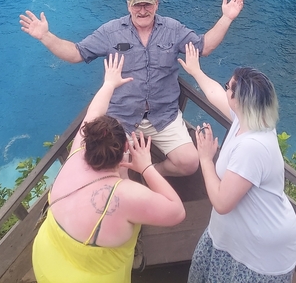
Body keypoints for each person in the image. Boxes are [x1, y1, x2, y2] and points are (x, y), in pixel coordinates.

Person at [20, 0, 244, 176]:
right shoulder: (111, 32)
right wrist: (45, 37)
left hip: (164, 116)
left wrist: (226, 18)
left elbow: (203, 47)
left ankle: (150, 172)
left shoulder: (173, 30)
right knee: (116, 169)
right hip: (122, 118)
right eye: (137, 4)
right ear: (129, 6)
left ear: (157, 4)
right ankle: (129, 196)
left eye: (147, 4)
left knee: (189, 163)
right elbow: (77, 53)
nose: (143, 10)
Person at [32, 53, 186, 283]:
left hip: (46, 256)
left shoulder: (76, 153)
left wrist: (109, 83)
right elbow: (177, 212)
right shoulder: (124, 195)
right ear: (127, 147)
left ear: (88, 142)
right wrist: (145, 167)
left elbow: (94, 112)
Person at [178, 44, 296, 283]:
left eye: (229, 87)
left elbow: (223, 202)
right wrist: (196, 71)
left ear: (239, 100)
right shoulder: (250, 119)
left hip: (261, 254)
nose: (225, 89)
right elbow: (214, 95)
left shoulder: (253, 146)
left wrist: (205, 159)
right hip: (232, 240)